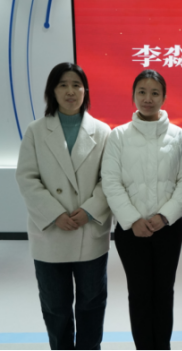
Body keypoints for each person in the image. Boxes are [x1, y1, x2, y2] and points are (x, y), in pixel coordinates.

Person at [15, 62, 112, 351]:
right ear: (52, 91)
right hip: (51, 232)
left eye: (76, 85)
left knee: (91, 303)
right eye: (63, 85)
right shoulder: (36, 131)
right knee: (55, 307)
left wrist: (90, 209)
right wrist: (55, 213)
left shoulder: (103, 131)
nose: (70, 91)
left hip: (88, 230)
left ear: (85, 91)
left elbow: (109, 179)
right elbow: (27, 177)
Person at [101, 69, 182, 350]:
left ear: (164, 97)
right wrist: (132, 219)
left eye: (155, 93)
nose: (148, 98)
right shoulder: (118, 136)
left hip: (167, 228)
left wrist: (164, 216)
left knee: (164, 293)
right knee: (139, 293)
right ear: (133, 96)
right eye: (142, 92)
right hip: (131, 231)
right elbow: (111, 181)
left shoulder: (178, 136)